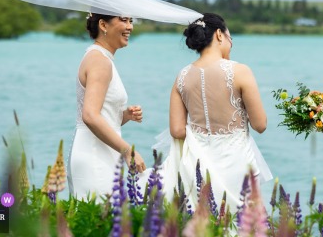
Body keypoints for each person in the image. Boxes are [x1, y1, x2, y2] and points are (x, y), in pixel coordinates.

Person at [140, 13, 272, 213]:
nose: (231, 43)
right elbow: (260, 125)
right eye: (230, 37)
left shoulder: (182, 76)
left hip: (197, 164)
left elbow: (176, 131)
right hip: (236, 163)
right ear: (219, 34)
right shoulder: (240, 71)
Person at [68, 13, 147, 200]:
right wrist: (128, 151)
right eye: (124, 20)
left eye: (131, 21)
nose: (130, 27)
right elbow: (89, 116)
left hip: (98, 149)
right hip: (95, 154)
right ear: (103, 25)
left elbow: (100, 114)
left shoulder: (99, 57)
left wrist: (124, 115)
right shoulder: (100, 61)